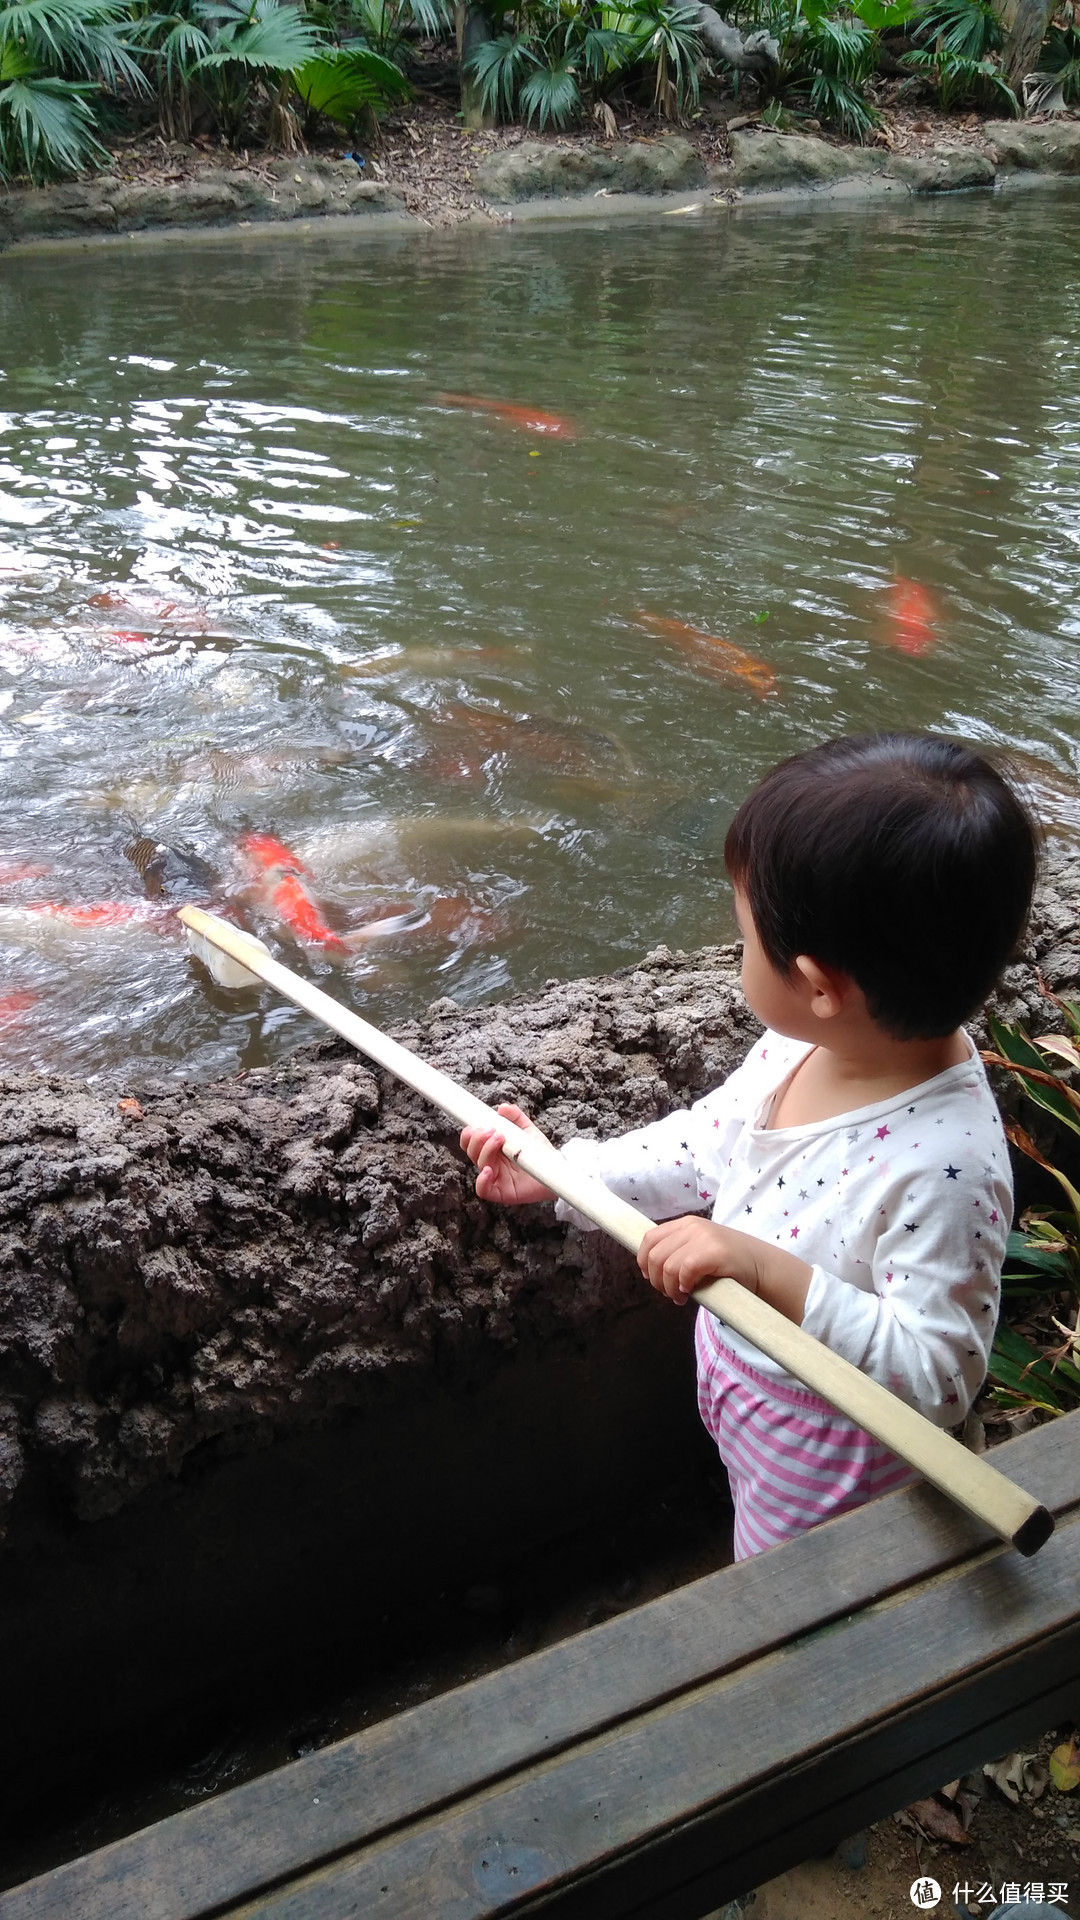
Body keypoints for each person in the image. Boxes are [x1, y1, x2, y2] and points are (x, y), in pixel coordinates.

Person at [460, 733, 1039, 1559]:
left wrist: (765, 1270)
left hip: (835, 1462)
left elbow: (940, 1377)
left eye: (745, 939)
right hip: (754, 1399)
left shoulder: (944, 1169)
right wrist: (563, 1173)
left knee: (791, 1589)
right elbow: (705, 1146)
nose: (739, 956)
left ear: (817, 985)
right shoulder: (806, 1047)